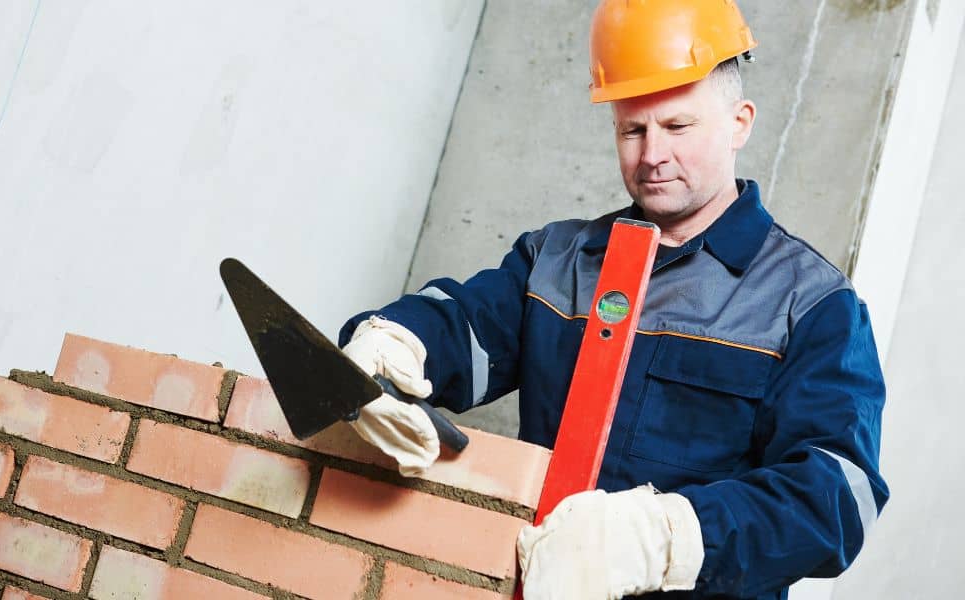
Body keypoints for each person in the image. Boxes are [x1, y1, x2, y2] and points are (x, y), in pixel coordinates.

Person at [338, 1, 888, 598]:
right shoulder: (559, 258)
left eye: (678, 127)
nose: (652, 155)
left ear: (740, 122)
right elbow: (462, 327)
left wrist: (667, 539)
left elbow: (836, 500)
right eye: (633, 129)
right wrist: (392, 343)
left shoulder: (811, 304)